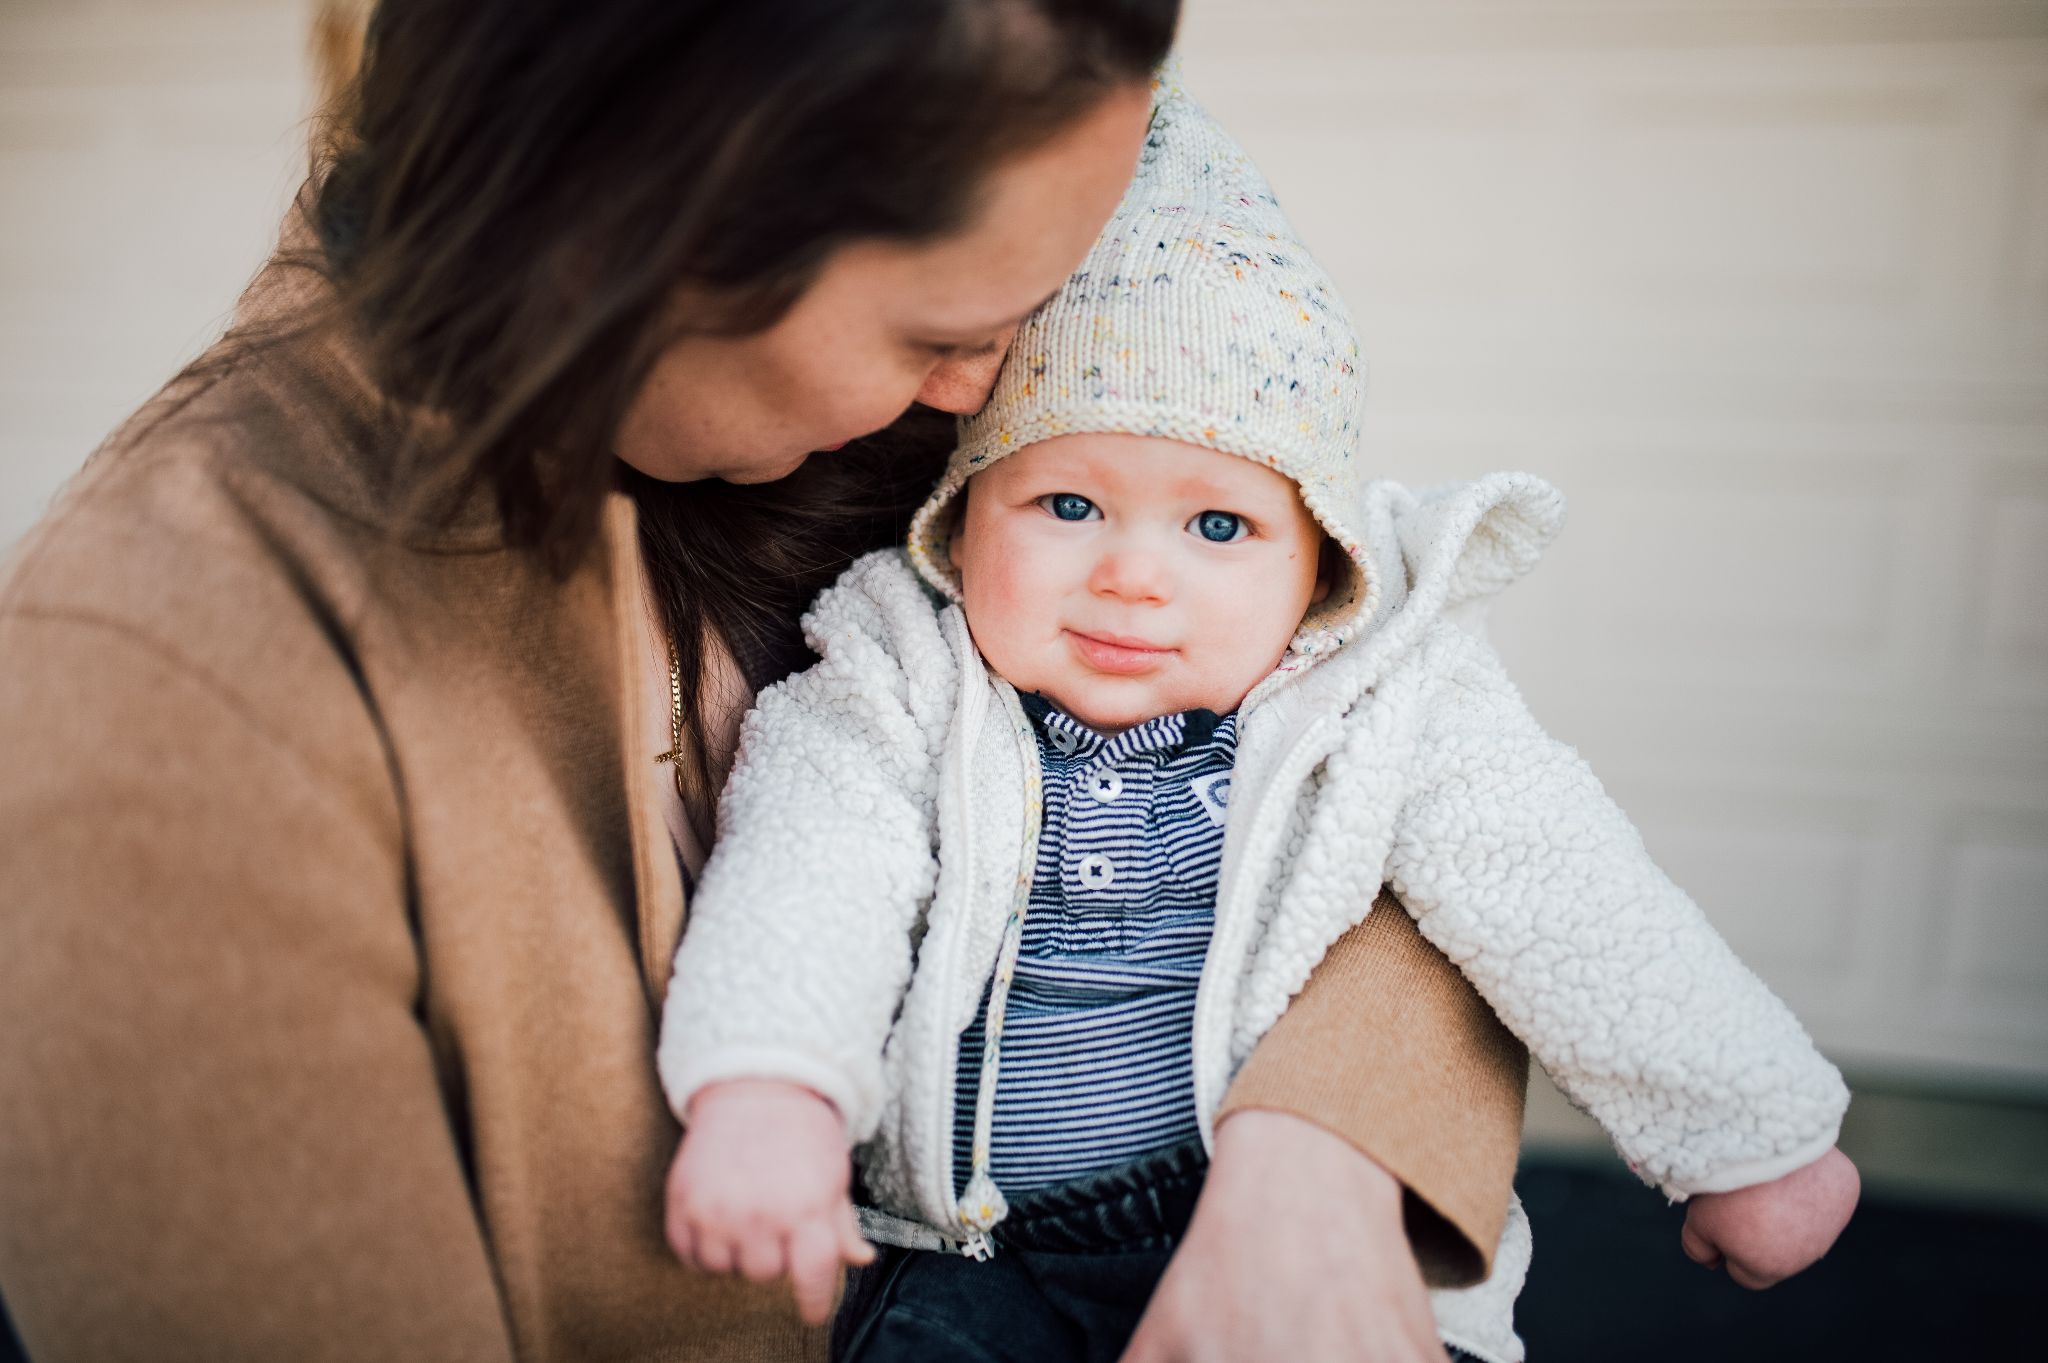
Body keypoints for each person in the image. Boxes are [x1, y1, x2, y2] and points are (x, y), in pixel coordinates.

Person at [0, 4, 1531, 1362]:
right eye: (946, 334)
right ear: (647, 216)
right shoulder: (162, 693)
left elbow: (1382, 737)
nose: (998, 396)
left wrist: (1324, 1162)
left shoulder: (955, 252)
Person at [656, 70, 1862, 1363]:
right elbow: (810, 873)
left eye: (1219, 526)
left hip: (1225, 1216)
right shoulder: (897, 677)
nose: (1132, 572)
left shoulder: (1380, 695)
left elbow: (1564, 892)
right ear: (958, 524)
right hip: (957, 1245)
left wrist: (1754, 1139)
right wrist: (770, 1091)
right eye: (1066, 506)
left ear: (1318, 561)